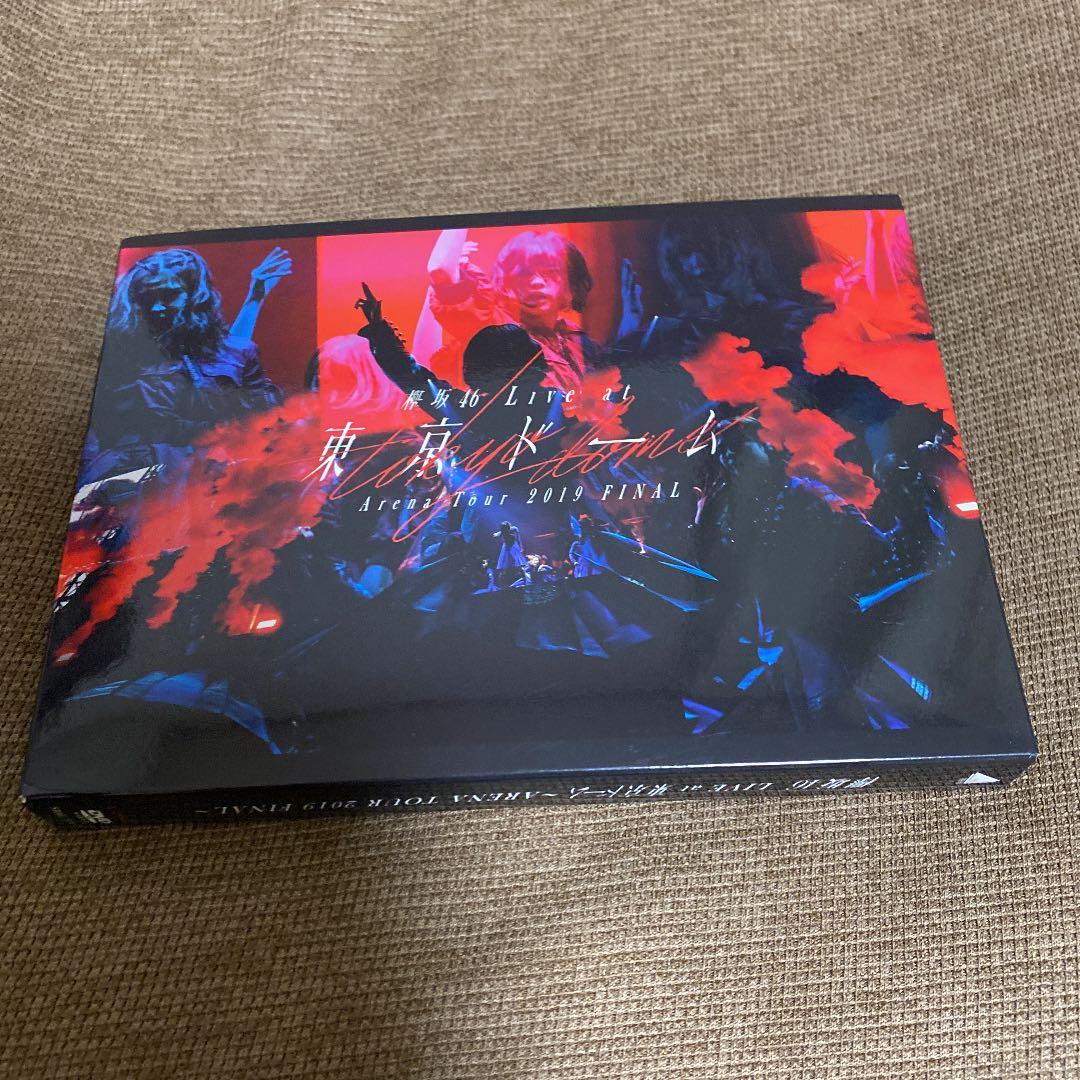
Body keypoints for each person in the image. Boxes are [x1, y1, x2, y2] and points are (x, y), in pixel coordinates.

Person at [83, 247, 283, 484]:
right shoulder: (123, 354)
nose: (156, 307)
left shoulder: (235, 351)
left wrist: (254, 299)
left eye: (169, 295)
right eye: (147, 297)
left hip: (218, 481)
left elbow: (250, 405)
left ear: (194, 295)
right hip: (142, 482)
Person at [420, 227, 596, 393]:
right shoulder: (494, 328)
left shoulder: (574, 339)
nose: (536, 282)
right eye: (524, 274)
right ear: (507, 282)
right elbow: (440, 270)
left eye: (550, 273)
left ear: (568, 285)